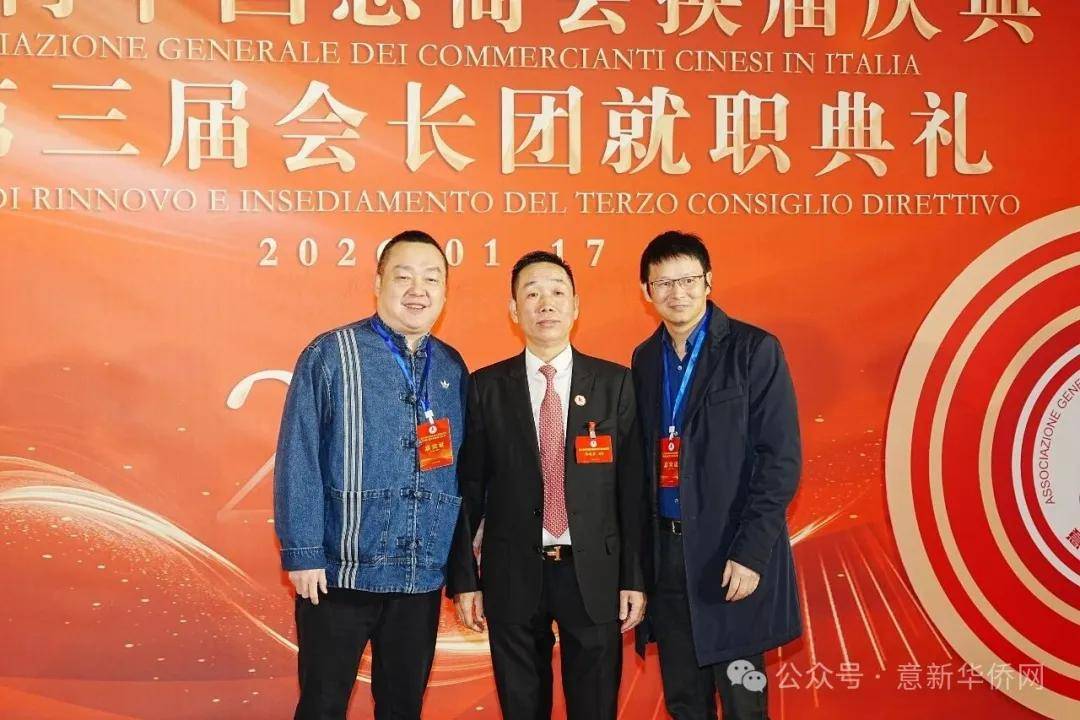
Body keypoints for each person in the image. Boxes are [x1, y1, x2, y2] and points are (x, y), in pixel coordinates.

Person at [273, 230, 468, 720]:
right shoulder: (331, 354)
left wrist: (459, 567)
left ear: (445, 292)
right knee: (322, 705)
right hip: (339, 572)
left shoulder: (451, 366)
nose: (417, 290)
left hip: (419, 576)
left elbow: (460, 470)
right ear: (379, 284)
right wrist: (303, 552)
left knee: (403, 706)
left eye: (431, 279)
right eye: (403, 277)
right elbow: (299, 453)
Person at [447, 251, 648, 720]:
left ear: (576, 306)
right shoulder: (485, 387)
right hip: (513, 574)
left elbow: (633, 493)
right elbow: (468, 491)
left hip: (594, 575)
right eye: (532, 293)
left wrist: (634, 578)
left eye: (558, 292)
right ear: (514, 310)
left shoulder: (616, 384)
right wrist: (465, 580)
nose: (546, 304)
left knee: (595, 708)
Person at [632, 231, 802, 720]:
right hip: (668, 557)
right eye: (663, 283)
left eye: (687, 280)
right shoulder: (644, 360)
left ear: (709, 281)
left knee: (743, 703)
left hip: (729, 557)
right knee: (685, 702)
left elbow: (780, 461)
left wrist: (750, 552)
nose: (677, 293)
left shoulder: (753, 349)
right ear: (646, 291)